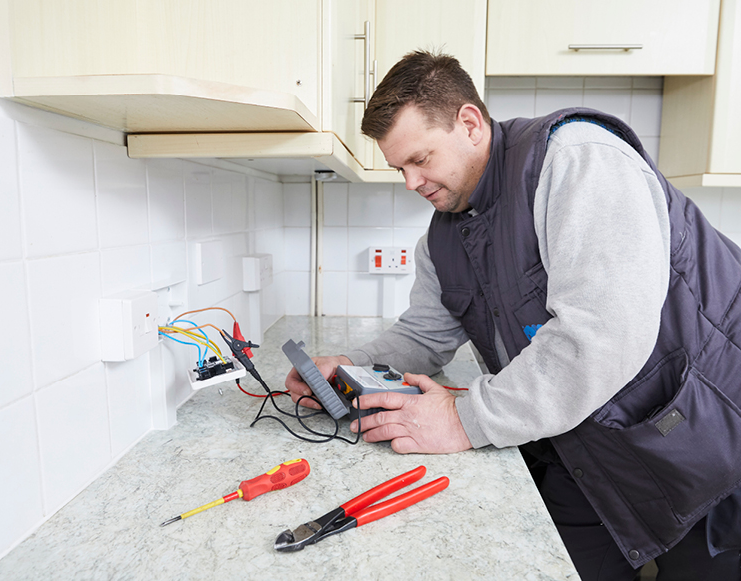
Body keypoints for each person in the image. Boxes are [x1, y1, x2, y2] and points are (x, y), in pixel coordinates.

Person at [285, 51, 741, 581]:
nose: (410, 183)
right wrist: (346, 367)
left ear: (470, 124)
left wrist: (463, 419)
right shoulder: (443, 236)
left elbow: (600, 336)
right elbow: (424, 336)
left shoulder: (578, 160)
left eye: (420, 159)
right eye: (399, 168)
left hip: (709, 442)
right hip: (587, 447)